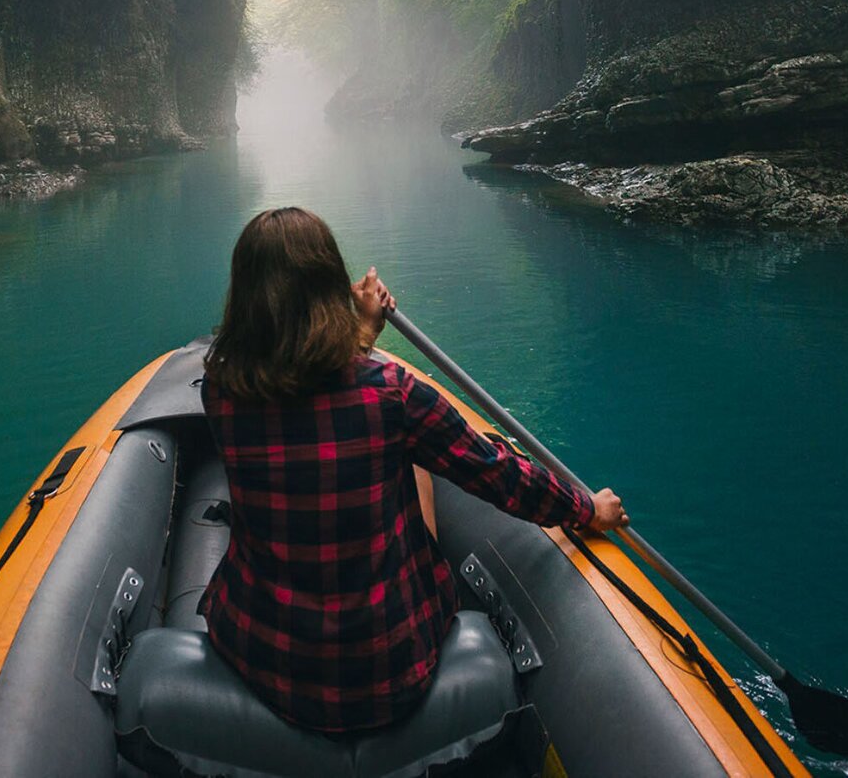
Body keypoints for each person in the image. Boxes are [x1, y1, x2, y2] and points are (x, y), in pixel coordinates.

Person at [199, 206, 629, 735]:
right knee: (416, 464)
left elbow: (300, 398)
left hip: (265, 659)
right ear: (331, 287)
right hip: (393, 667)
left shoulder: (222, 391)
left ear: (244, 298)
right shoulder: (393, 395)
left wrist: (358, 336)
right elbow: (498, 473)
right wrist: (587, 508)